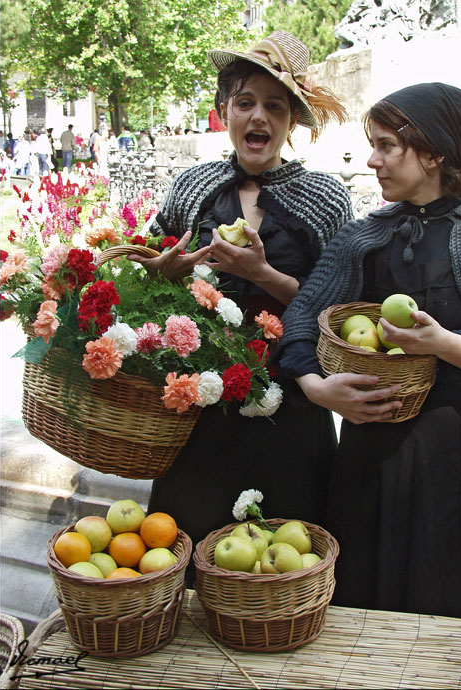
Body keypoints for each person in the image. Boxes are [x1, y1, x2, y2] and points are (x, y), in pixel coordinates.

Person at [276, 82, 461, 620]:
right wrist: (318, 388)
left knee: (455, 605)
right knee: (362, 607)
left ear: (432, 152)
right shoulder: (364, 237)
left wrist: (446, 345)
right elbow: (300, 321)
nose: (373, 159)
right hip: (369, 456)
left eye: (387, 145)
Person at [128, 30, 353, 583]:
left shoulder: (327, 198)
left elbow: (340, 313)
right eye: (245, 102)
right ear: (223, 109)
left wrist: (263, 276)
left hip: (291, 402)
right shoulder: (192, 186)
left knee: (289, 555)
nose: (259, 118)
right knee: (184, 538)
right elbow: (151, 284)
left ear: (292, 122)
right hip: (200, 401)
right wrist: (166, 275)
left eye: (275, 106)